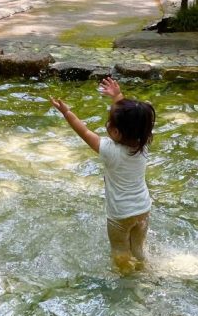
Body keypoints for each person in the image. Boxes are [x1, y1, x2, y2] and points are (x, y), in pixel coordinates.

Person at [50, 77, 156, 272]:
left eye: (109, 122)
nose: (107, 124)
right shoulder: (144, 143)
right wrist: (117, 96)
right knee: (138, 248)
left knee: (119, 250)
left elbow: (83, 131)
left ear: (115, 132)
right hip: (143, 208)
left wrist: (67, 112)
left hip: (120, 215)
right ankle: (145, 271)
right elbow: (129, 120)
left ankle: (127, 281)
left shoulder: (109, 150)